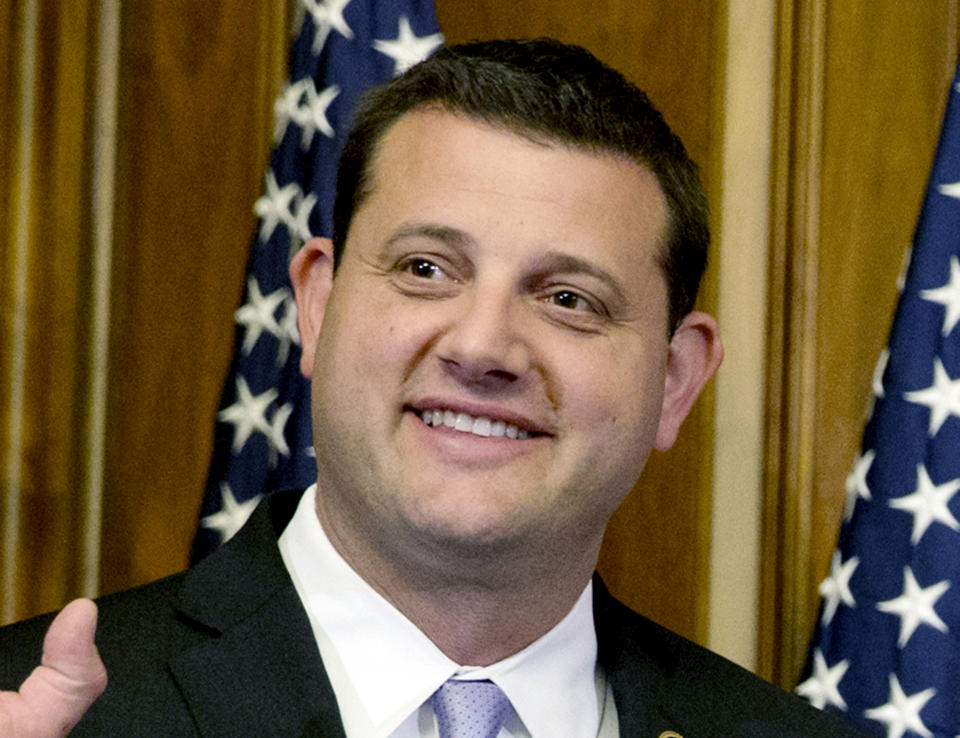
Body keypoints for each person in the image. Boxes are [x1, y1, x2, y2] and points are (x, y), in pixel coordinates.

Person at [0, 39, 862, 736]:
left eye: (569, 299)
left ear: (674, 381)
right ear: (316, 307)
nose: (484, 347)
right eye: (425, 268)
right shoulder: (46, 708)